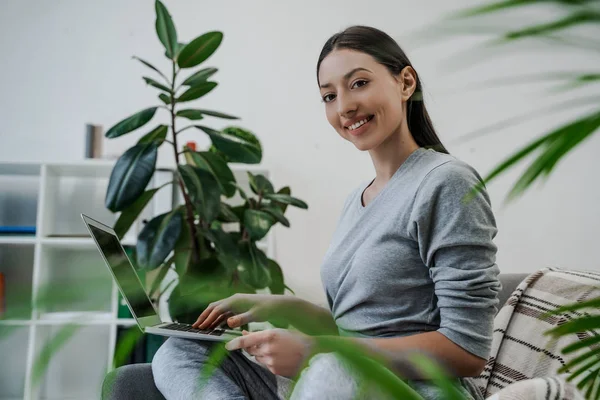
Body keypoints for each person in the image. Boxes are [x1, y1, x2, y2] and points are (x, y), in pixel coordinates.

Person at [152, 25, 501, 400]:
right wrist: (284, 306)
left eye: (359, 83)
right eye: (329, 95)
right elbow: (359, 327)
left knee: (334, 368)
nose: (344, 107)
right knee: (181, 351)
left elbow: (467, 352)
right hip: (337, 379)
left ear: (405, 82)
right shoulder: (358, 199)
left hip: (414, 389)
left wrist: (318, 350)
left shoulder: (446, 182)